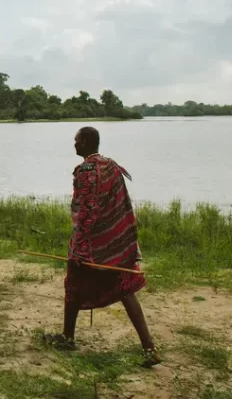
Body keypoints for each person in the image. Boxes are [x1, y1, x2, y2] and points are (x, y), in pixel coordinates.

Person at [45, 126, 162, 368]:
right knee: (125, 290)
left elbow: (86, 213)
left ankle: (68, 338)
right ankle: (149, 347)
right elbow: (120, 206)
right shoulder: (111, 165)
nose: (74, 144)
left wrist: (79, 249)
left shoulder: (85, 171)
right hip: (113, 246)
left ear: (86, 142)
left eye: (77, 140)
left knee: (73, 285)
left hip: (91, 246)